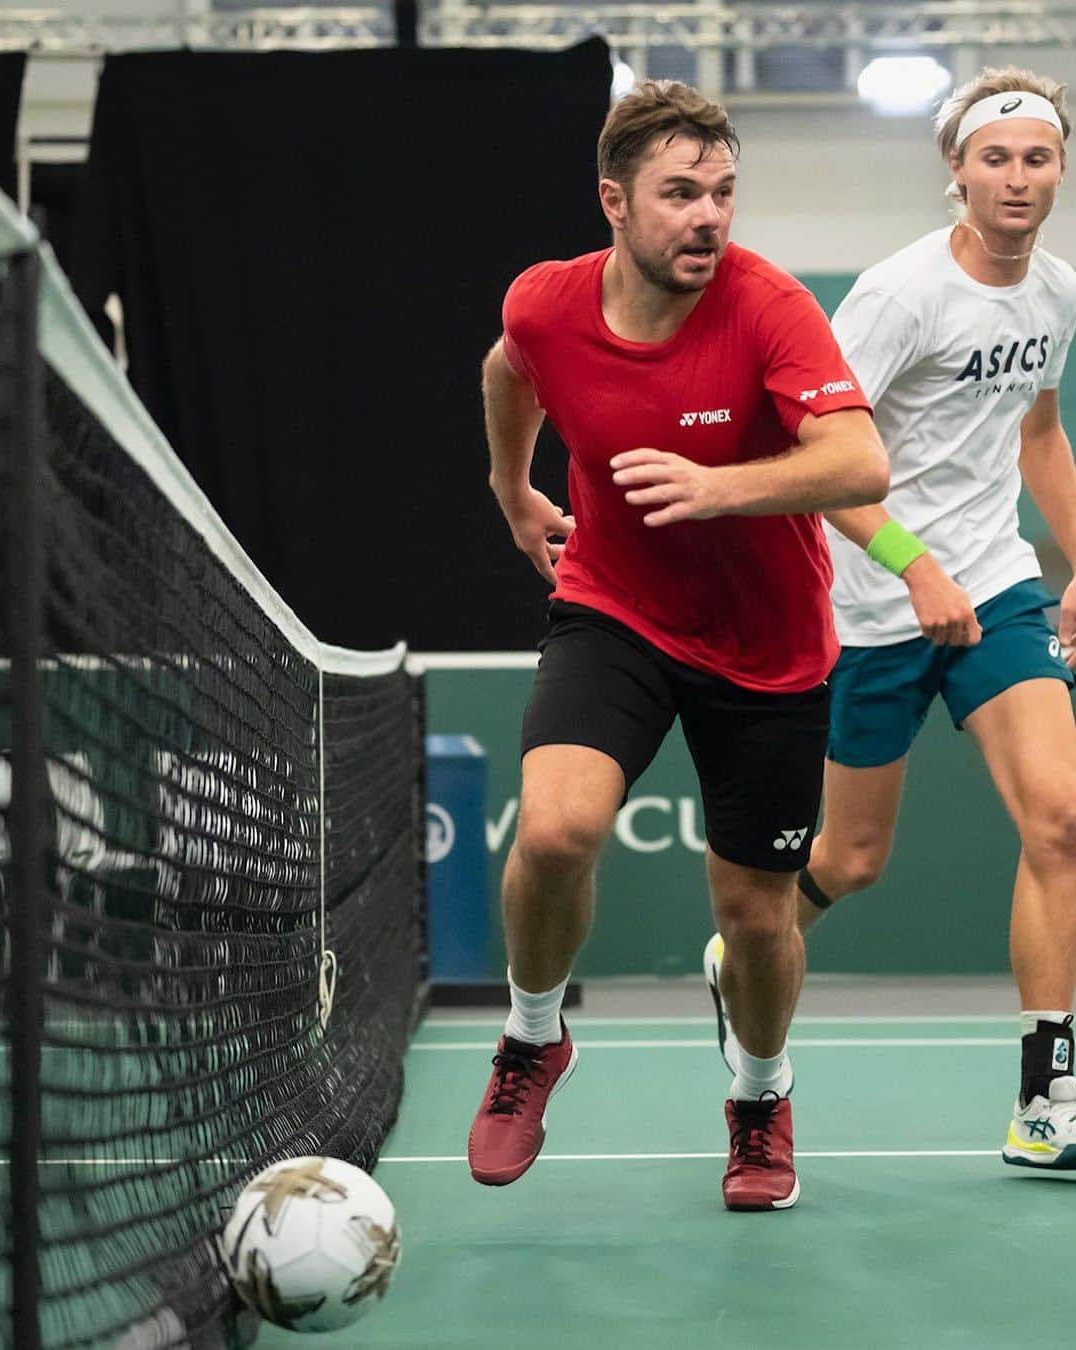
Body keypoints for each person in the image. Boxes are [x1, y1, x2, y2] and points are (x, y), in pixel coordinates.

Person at [468, 79, 888, 1210]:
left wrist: (722, 487)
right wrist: (514, 493)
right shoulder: (547, 304)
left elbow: (860, 465)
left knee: (755, 918)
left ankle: (759, 1101)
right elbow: (512, 369)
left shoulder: (768, 307)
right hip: (616, 607)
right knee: (555, 830)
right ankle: (531, 1039)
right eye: (680, 194)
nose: (708, 216)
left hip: (769, 647)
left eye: (723, 193)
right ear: (614, 202)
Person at [706, 67, 1076, 1171]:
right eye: (997, 158)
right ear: (956, 172)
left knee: (1060, 819)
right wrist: (913, 568)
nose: (1018, 178)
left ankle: (1048, 1097)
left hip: (999, 586)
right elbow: (813, 459)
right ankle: (745, 960)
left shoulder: (1055, 292)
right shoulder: (897, 294)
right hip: (873, 599)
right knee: (855, 857)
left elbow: (1039, 439)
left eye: (1038, 158)